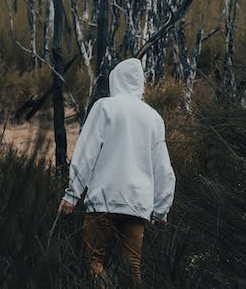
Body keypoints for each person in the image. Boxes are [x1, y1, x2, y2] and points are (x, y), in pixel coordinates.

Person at [57, 57, 176, 287]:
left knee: (92, 261)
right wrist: (161, 209)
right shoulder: (153, 118)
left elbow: (87, 152)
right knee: (132, 265)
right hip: (137, 204)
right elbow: (163, 167)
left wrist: (72, 194)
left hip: (103, 199)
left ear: (115, 80)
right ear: (140, 83)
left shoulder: (105, 107)